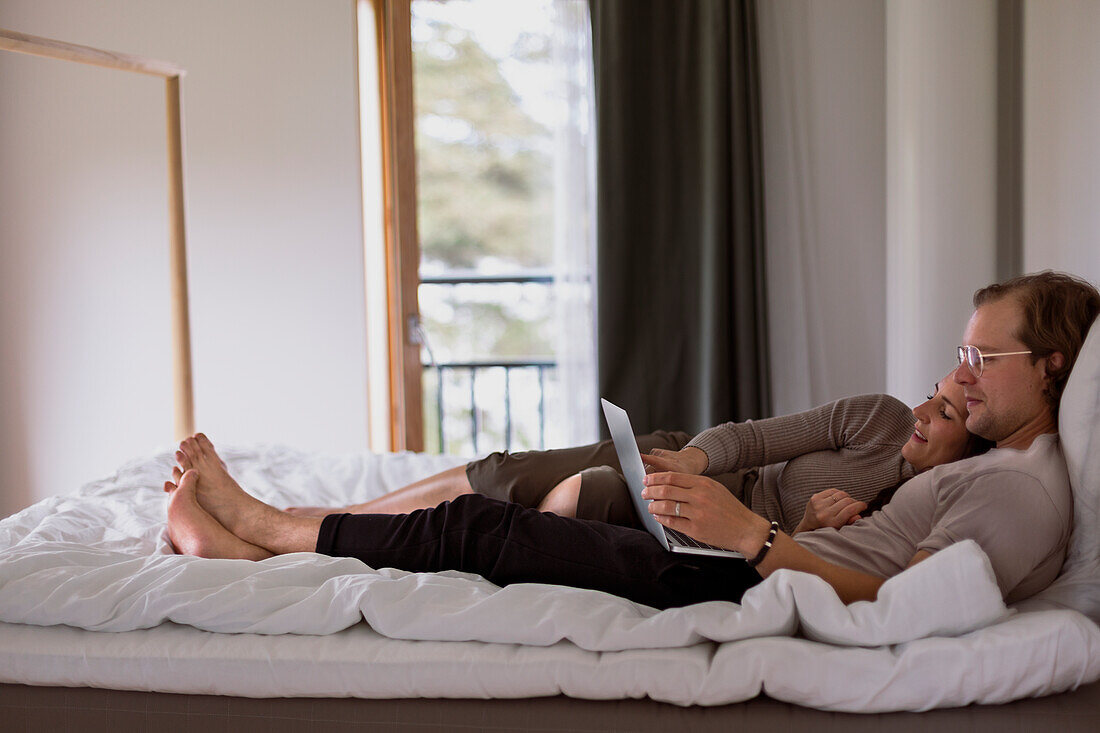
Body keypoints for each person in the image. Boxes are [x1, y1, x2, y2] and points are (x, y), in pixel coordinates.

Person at [164, 271, 1099, 610]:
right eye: (960, 351)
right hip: (740, 550)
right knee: (495, 508)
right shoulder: (987, 461)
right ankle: (268, 535)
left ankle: (273, 535)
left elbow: (910, 599)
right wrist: (726, 500)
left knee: (487, 527)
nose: (960, 371)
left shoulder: (1020, 491)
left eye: (985, 352)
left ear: (1051, 365)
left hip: (739, 568)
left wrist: (753, 537)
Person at [283, 377, 990, 537]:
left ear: (973, 448)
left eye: (946, 414)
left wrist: (805, 535)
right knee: (502, 471)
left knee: (583, 495)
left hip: (715, 525)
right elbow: (748, 437)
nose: (924, 412)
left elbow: (827, 572)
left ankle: (334, 530)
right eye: (934, 395)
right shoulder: (882, 419)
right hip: (702, 466)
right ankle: (330, 519)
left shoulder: (924, 514)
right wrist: (691, 461)